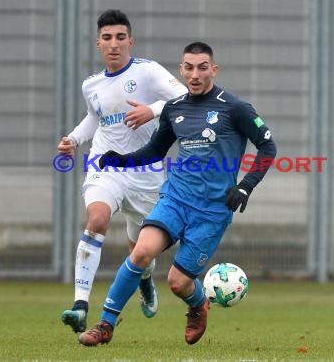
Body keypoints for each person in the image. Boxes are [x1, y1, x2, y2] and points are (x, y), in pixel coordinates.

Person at [77, 41, 277, 346]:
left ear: (214, 70)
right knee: (141, 252)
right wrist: (121, 159)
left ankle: (197, 304)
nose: (194, 74)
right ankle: (105, 324)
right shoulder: (174, 107)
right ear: (181, 70)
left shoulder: (235, 108)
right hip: (175, 199)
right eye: (188, 67)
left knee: (178, 282)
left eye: (202, 67)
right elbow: (156, 150)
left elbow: (268, 147)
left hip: (212, 210)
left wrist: (244, 186)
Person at [57, 9, 188, 334]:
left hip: (146, 175)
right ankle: (80, 306)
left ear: (130, 40)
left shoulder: (147, 72)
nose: (113, 44)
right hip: (106, 165)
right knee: (97, 219)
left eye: (119, 37)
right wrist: (73, 140)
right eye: (106, 38)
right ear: (98, 43)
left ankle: (145, 281)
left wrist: (152, 110)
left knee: (140, 252)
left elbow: (184, 96)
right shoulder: (92, 85)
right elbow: (94, 118)